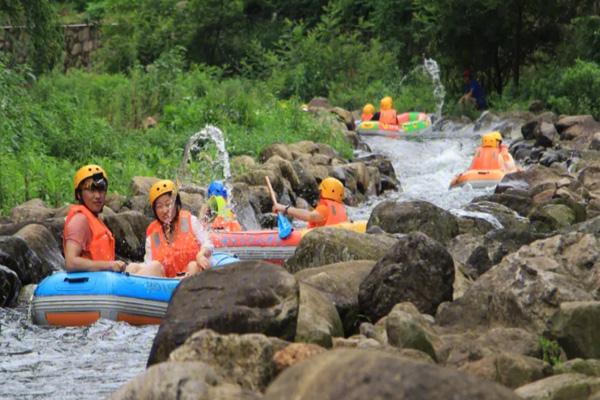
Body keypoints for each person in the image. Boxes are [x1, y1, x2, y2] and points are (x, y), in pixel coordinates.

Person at [63, 164, 162, 276]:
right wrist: (109, 265)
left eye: (101, 190)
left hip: (103, 280)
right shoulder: (79, 220)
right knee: (156, 267)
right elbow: (71, 262)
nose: (97, 196)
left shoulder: (95, 219)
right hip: (91, 283)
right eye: (91, 190)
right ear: (79, 195)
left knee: (137, 266)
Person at [145, 179, 213, 278]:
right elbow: (149, 264)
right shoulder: (152, 237)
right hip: (165, 285)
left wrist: (201, 254)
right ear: (155, 211)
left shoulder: (191, 221)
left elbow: (208, 244)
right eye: (159, 206)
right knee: (154, 266)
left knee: (193, 266)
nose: (164, 210)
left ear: (176, 204)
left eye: (168, 204)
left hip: (193, 276)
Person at [272, 177, 348, 228]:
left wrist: (284, 208)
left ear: (323, 192)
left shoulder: (324, 209)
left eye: (320, 190)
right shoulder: (341, 208)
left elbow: (309, 216)